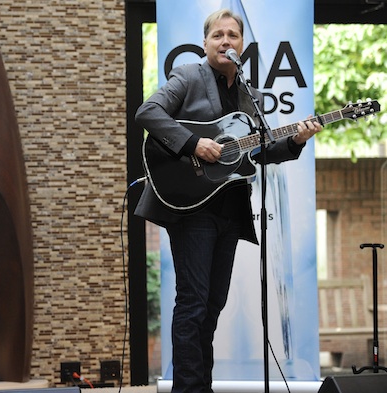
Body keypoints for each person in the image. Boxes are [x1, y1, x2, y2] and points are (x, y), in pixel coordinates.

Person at [134, 9, 322, 393]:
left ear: (242, 45)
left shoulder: (246, 95)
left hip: (229, 210)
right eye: (218, 35)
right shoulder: (188, 75)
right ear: (205, 44)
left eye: (233, 35)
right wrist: (193, 143)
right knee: (193, 304)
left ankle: (202, 384)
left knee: (212, 307)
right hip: (191, 206)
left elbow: (259, 152)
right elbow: (147, 112)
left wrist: (297, 139)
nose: (226, 41)